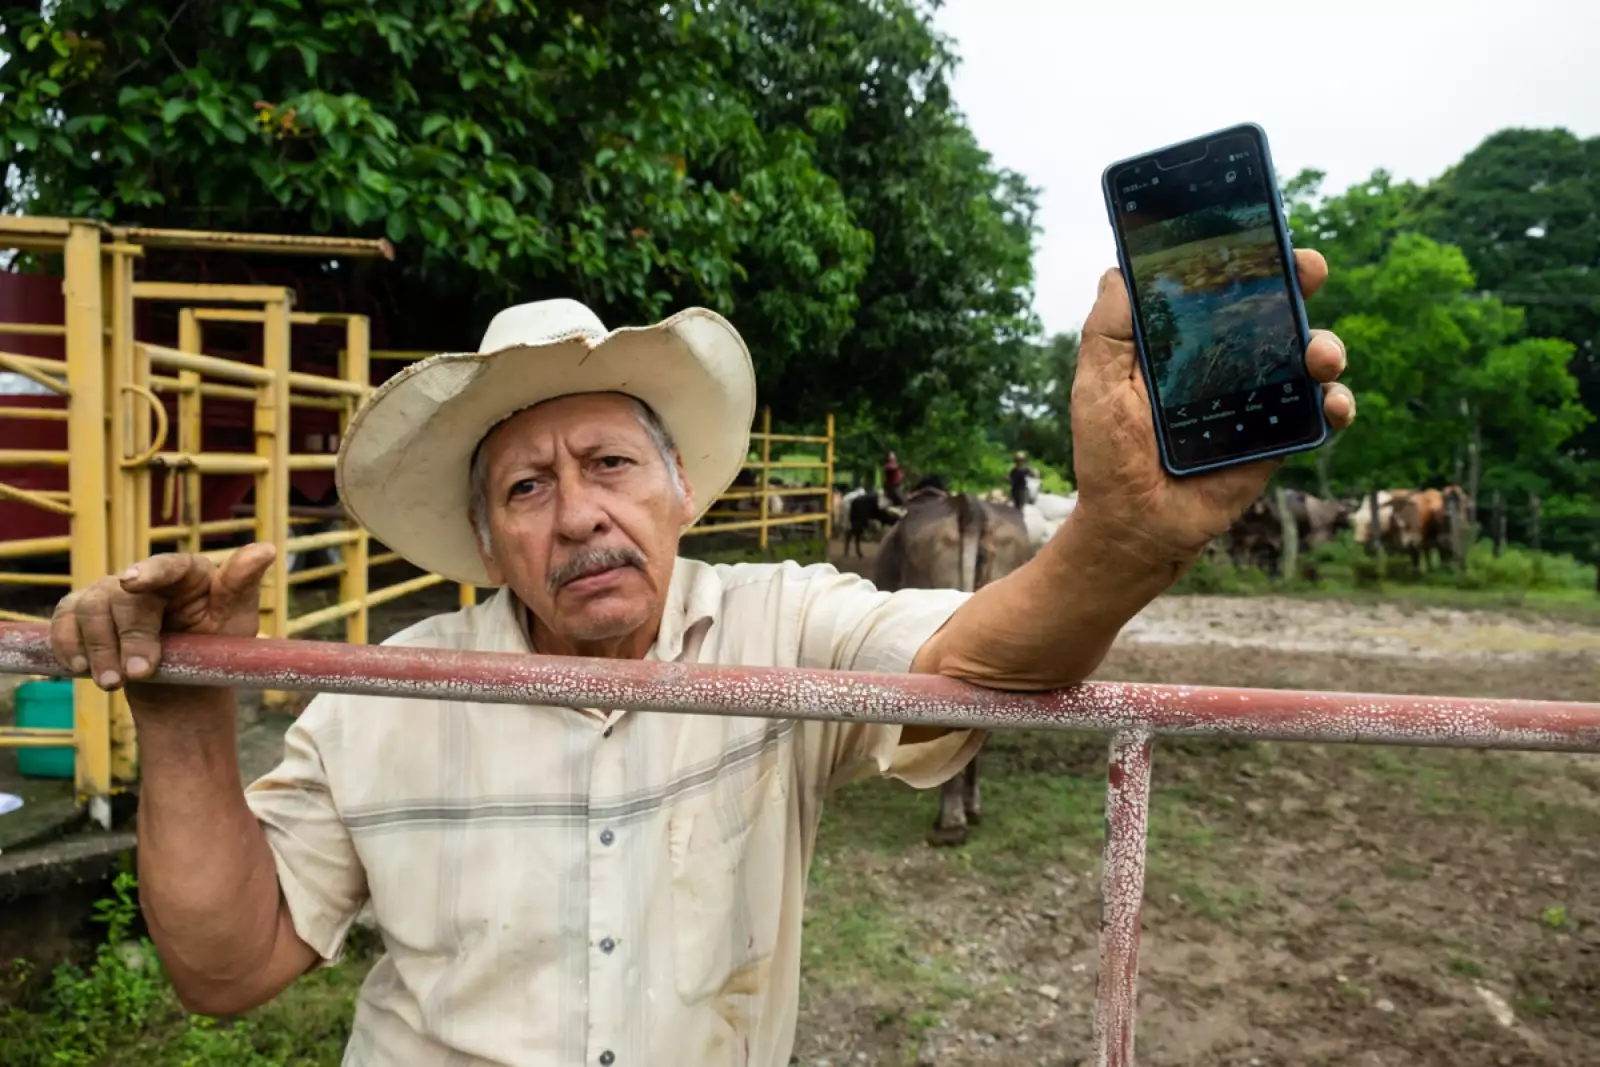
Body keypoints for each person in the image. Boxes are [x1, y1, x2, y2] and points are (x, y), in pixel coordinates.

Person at [48, 256, 1355, 1067]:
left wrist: (1118, 541)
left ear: (681, 496)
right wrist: (178, 708)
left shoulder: (781, 622)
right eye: (525, 487)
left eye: (610, 464)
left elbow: (976, 659)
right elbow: (227, 972)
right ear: (488, 547)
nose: (576, 515)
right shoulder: (393, 693)